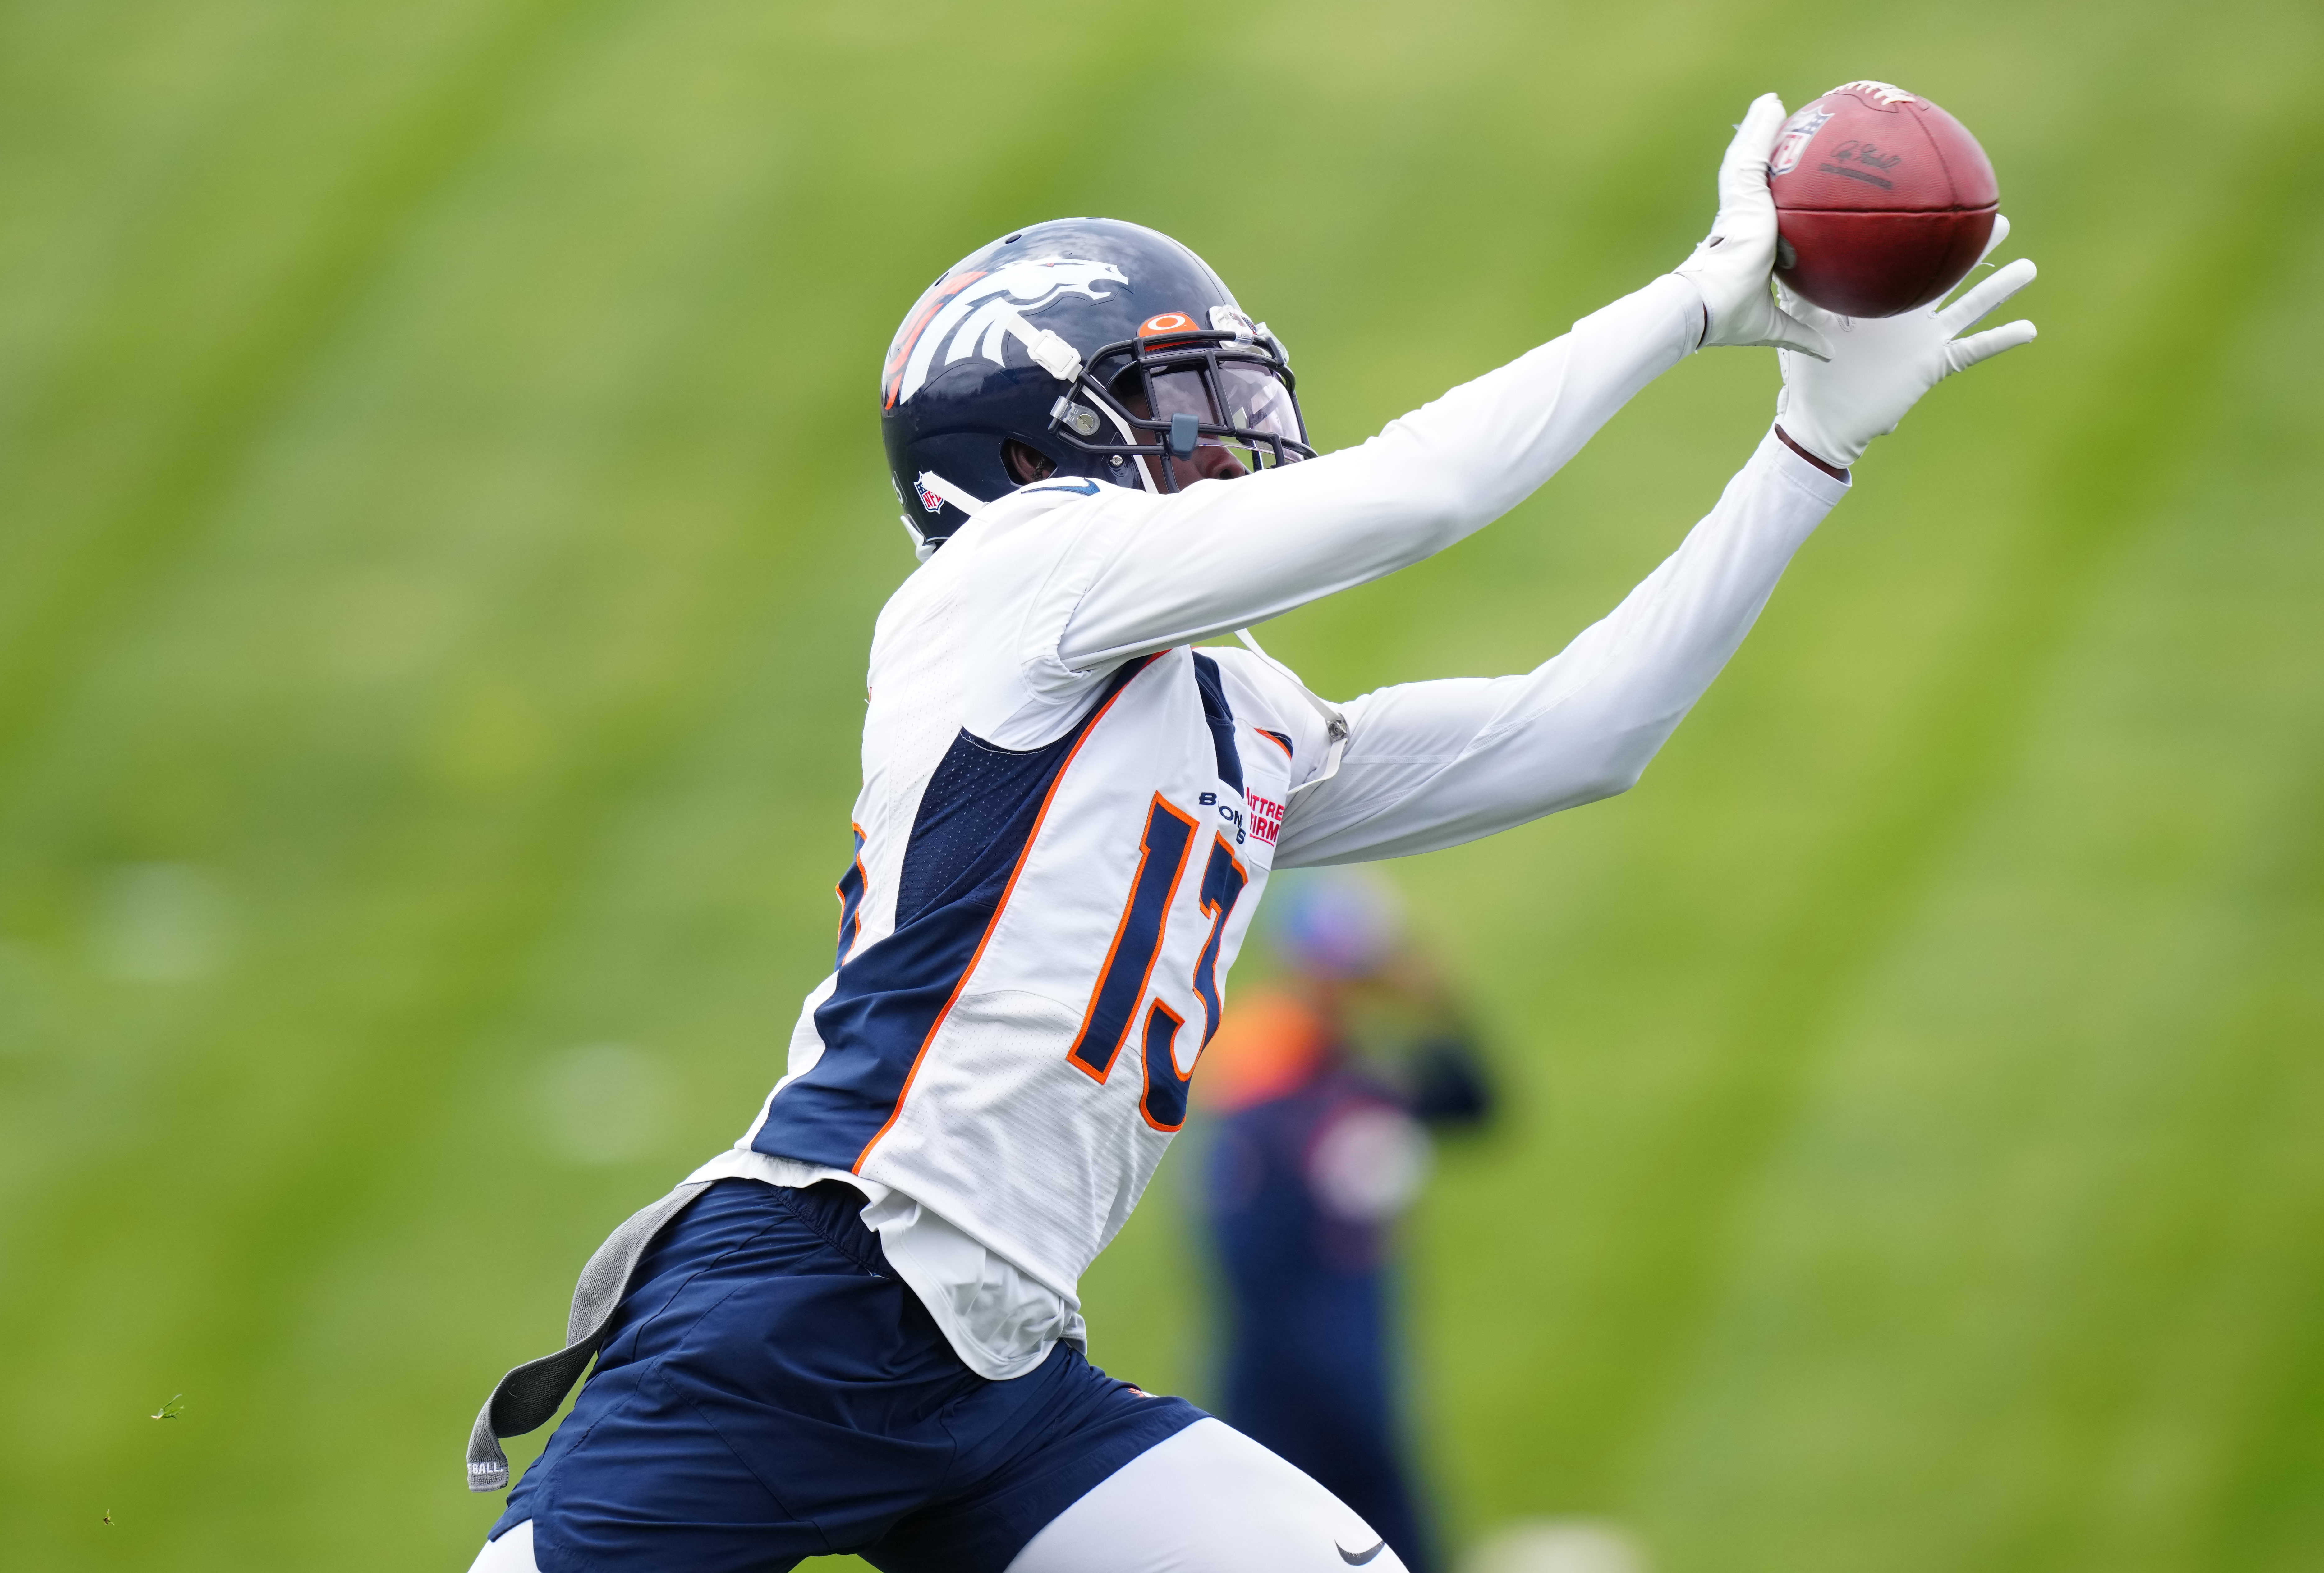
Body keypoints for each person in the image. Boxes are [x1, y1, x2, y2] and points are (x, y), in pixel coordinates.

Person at [462, 94, 2038, 1573]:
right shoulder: (1014, 579)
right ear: (1014, 451)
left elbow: (1581, 738)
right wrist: (1696, 296)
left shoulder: (1231, 708)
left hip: (997, 1363)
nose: (1224, 441)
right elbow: (1415, 497)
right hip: (808, 1306)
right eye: (1166, 406)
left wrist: (1808, 452)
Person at [1197, 871, 1495, 1573]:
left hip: (1346, 1349)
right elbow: (1246, 1242)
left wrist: (1438, 1008)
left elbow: (1476, 1104)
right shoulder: (1272, 1067)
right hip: (1295, 1364)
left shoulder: (1357, 1073)